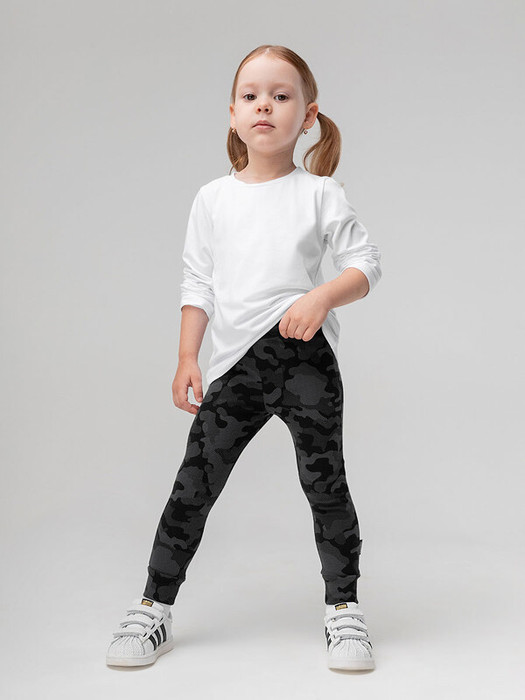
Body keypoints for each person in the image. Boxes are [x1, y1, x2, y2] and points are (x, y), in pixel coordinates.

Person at [106, 44, 382, 673]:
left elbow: (366, 265)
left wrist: (321, 297)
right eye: (251, 95)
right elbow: (198, 283)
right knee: (193, 487)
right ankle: (153, 606)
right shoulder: (213, 199)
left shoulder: (320, 193)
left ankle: (344, 609)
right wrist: (188, 355)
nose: (265, 106)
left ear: (307, 116)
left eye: (281, 96)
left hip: (306, 362)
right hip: (235, 368)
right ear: (232, 114)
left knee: (326, 485)